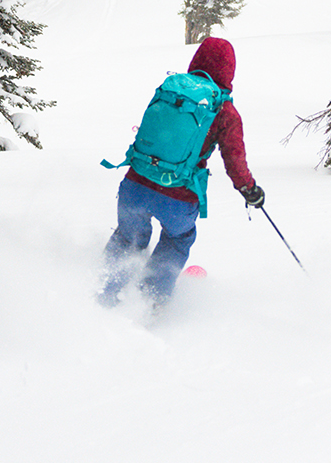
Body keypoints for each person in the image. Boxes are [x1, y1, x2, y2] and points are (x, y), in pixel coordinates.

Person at [98, 36, 264, 309]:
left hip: (134, 185)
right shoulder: (224, 110)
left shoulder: (171, 92)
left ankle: (104, 294)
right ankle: (150, 304)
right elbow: (235, 161)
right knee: (177, 240)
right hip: (177, 197)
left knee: (128, 237)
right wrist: (250, 190)